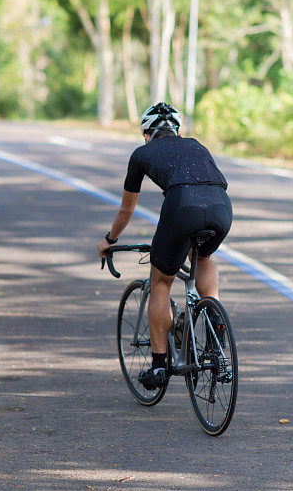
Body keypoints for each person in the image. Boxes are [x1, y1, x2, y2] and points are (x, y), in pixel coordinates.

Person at [97, 102, 232, 390]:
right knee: (204, 258)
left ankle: (159, 366)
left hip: (183, 207)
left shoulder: (142, 153)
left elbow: (126, 210)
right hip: (222, 208)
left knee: (160, 281)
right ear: (176, 130)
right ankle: (216, 328)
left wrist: (110, 240)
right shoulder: (196, 145)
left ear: (147, 133)